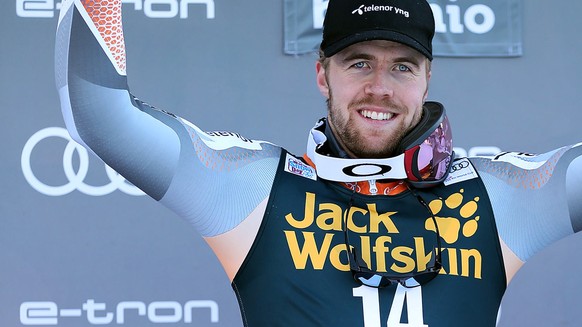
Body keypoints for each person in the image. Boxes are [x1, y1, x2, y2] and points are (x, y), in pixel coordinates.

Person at [55, 0, 582, 325]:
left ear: (427, 80)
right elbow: (101, 114)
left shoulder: (497, 195)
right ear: (323, 76)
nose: (380, 87)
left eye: (403, 66)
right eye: (359, 63)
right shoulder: (254, 189)